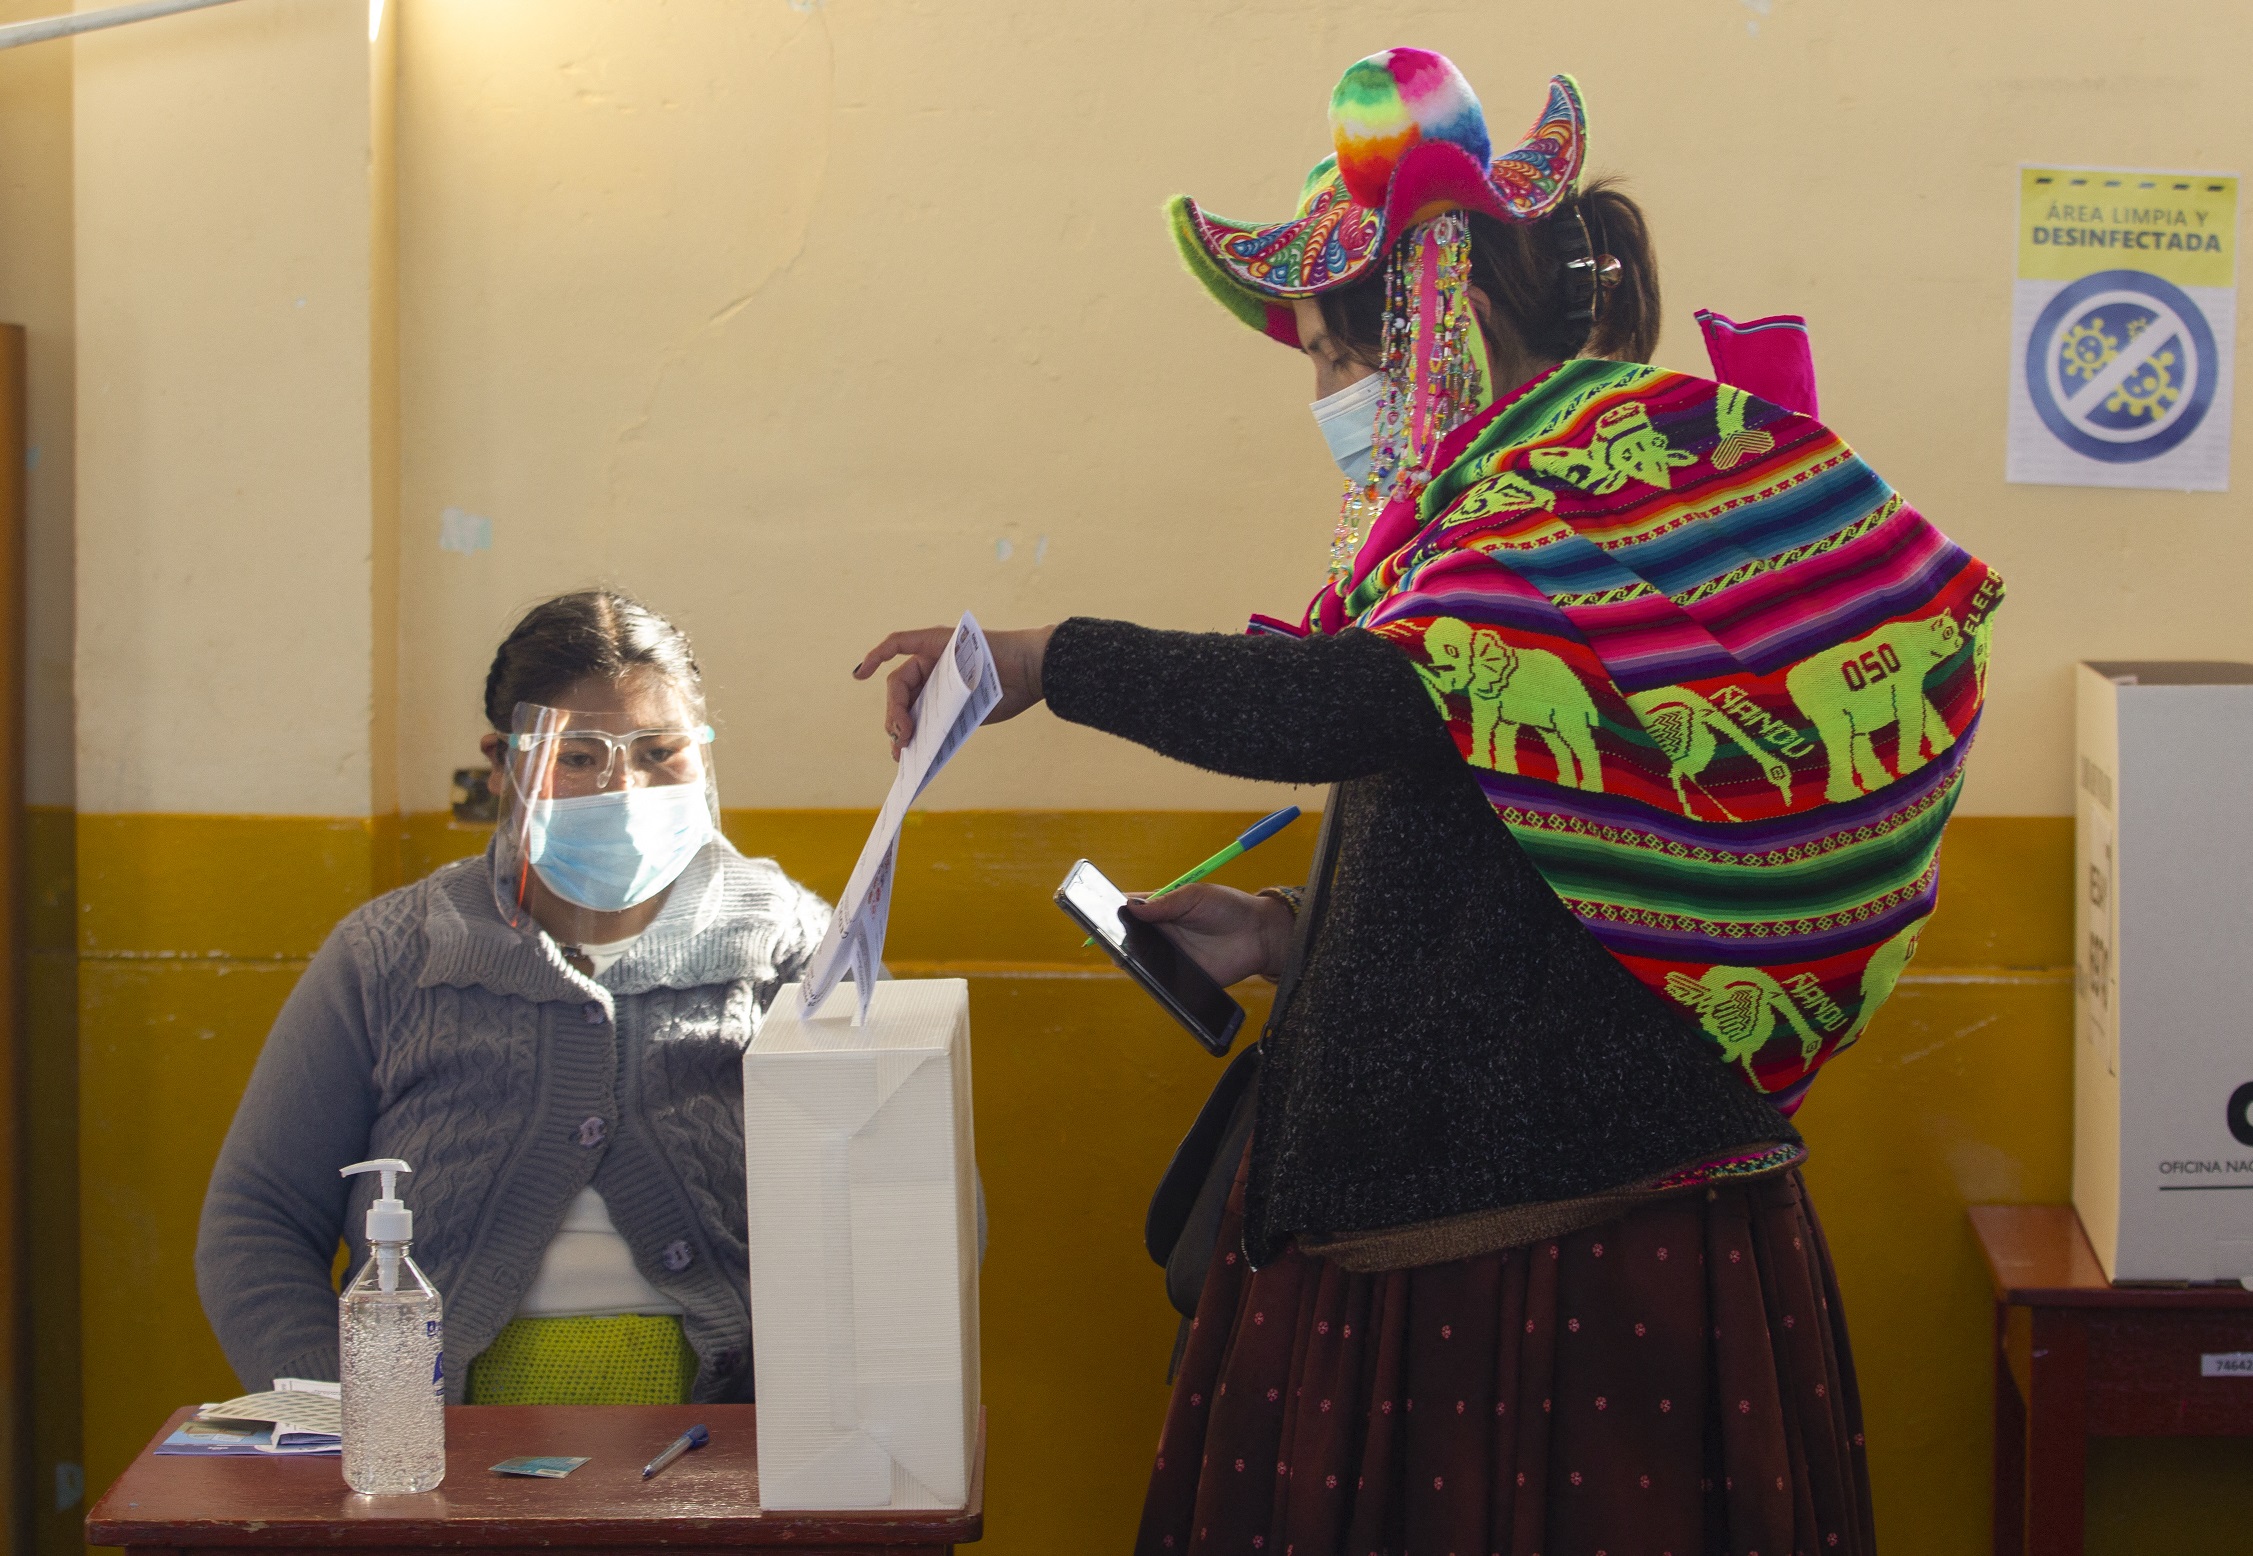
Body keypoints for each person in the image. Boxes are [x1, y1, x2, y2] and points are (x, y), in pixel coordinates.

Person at [857, 50, 2000, 1555]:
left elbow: (1360, 699)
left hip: (1555, 1247)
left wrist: (1047, 661)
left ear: (1430, 320)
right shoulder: (1511, 515)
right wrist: (1284, 933)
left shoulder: (1581, 490)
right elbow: (1525, 834)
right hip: (1516, 1203)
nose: (1329, 397)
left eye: (1337, 353)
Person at [197, 590, 832, 1405]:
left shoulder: (794, 948)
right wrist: (359, 1423)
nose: (624, 788)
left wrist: (816, 1425)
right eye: (577, 755)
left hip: (735, 1441)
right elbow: (258, 1223)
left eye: (660, 750)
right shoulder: (390, 956)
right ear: (501, 763)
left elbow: (901, 1200)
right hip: (435, 1451)